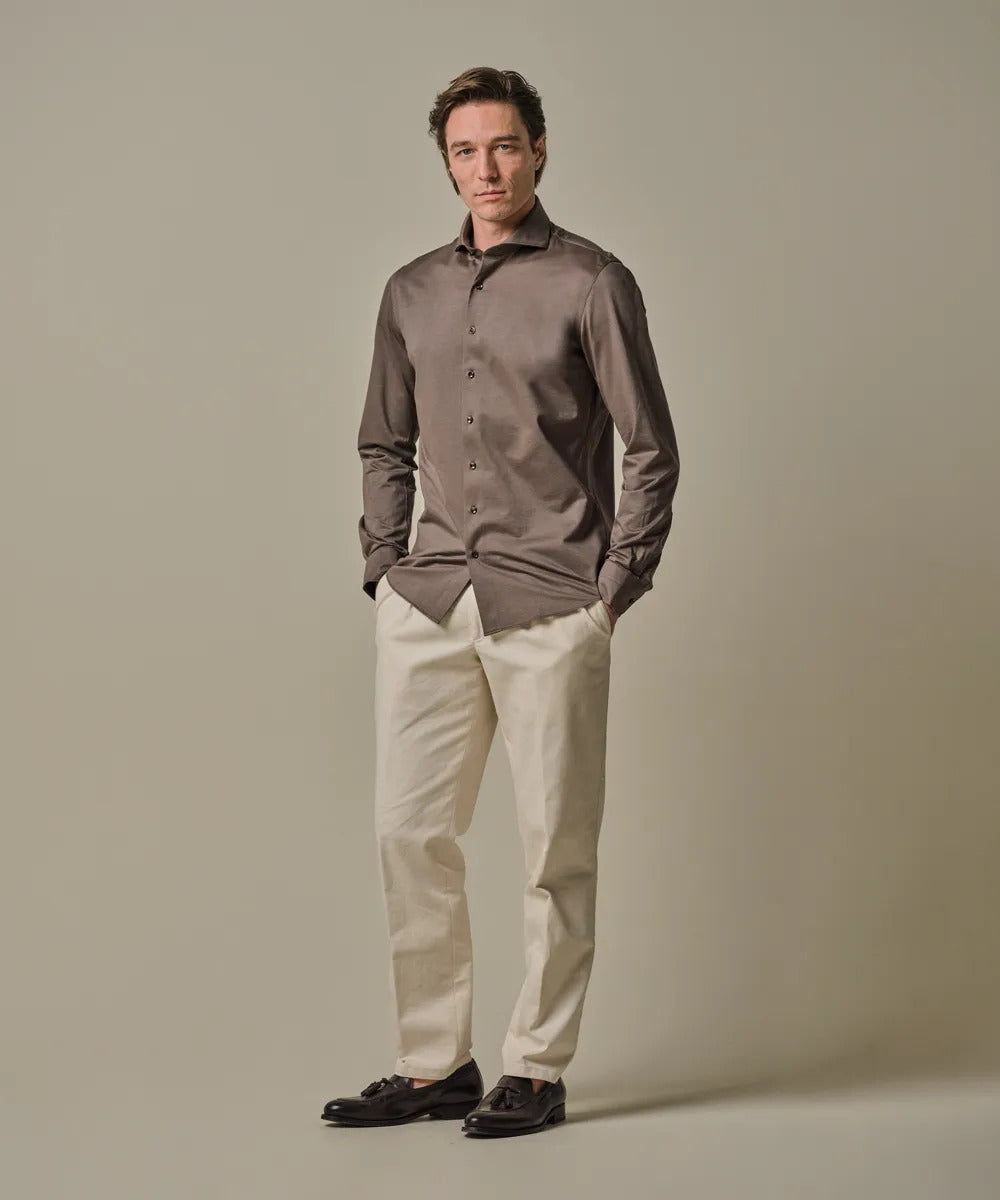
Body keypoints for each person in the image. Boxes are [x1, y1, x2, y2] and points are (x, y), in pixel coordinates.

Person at [321, 66, 679, 1138]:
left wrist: (612, 589)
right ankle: (435, 1063)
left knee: (553, 849)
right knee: (408, 834)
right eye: (466, 151)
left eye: (506, 146)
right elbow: (382, 440)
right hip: (431, 597)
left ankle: (536, 1067)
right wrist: (384, 567)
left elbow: (650, 446)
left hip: (553, 602)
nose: (487, 169)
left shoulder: (592, 282)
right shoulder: (410, 292)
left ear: (539, 150)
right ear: (447, 163)